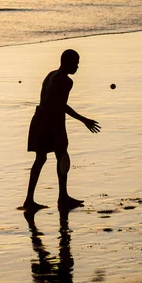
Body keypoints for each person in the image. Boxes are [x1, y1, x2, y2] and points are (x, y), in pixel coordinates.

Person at [22, 49, 101, 211]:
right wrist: (84, 120)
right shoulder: (66, 82)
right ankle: (62, 197)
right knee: (62, 156)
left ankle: (30, 199)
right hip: (51, 122)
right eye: (76, 63)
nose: (78, 66)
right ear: (67, 62)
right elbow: (61, 105)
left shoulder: (51, 74)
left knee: (42, 159)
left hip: (39, 119)